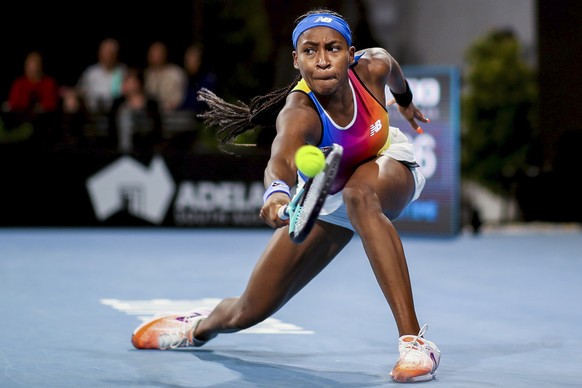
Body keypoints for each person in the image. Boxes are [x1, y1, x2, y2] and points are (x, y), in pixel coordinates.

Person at [131, 8, 441, 384]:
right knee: (249, 309)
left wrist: (404, 101)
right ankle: (197, 327)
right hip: (330, 196)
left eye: (334, 49)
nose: (323, 61)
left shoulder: (372, 67)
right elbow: (279, 163)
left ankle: (415, 343)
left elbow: (392, 69)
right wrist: (276, 196)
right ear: (296, 60)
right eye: (310, 51)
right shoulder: (298, 113)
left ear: (351, 53)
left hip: (387, 169)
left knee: (360, 195)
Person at [4, 50, 60, 144]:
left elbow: (51, 104)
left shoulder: (48, 83)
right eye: (28, 64)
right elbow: (14, 103)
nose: (31, 68)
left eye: (34, 64)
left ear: (40, 66)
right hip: (20, 121)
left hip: (43, 124)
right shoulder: (19, 83)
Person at [107, 67, 163, 154]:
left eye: (131, 82)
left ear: (139, 83)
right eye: (126, 81)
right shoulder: (118, 103)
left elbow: (157, 126)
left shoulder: (151, 103)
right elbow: (111, 126)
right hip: (122, 148)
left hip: (147, 148)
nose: (127, 85)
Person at [75, 38, 126, 115]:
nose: (108, 55)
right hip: (91, 113)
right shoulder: (91, 72)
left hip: (115, 113)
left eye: (111, 52)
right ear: (100, 53)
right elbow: (81, 91)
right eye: (105, 52)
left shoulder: (122, 72)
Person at [144, 41, 187, 112]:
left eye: (157, 53)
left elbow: (179, 99)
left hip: (173, 113)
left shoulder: (175, 73)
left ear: (164, 54)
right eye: (152, 54)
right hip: (151, 114)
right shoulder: (147, 74)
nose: (154, 56)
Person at [179, 42, 217, 114]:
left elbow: (202, 106)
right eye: (187, 59)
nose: (189, 62)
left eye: (193, 58)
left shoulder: (208, 81)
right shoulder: (184, 79)